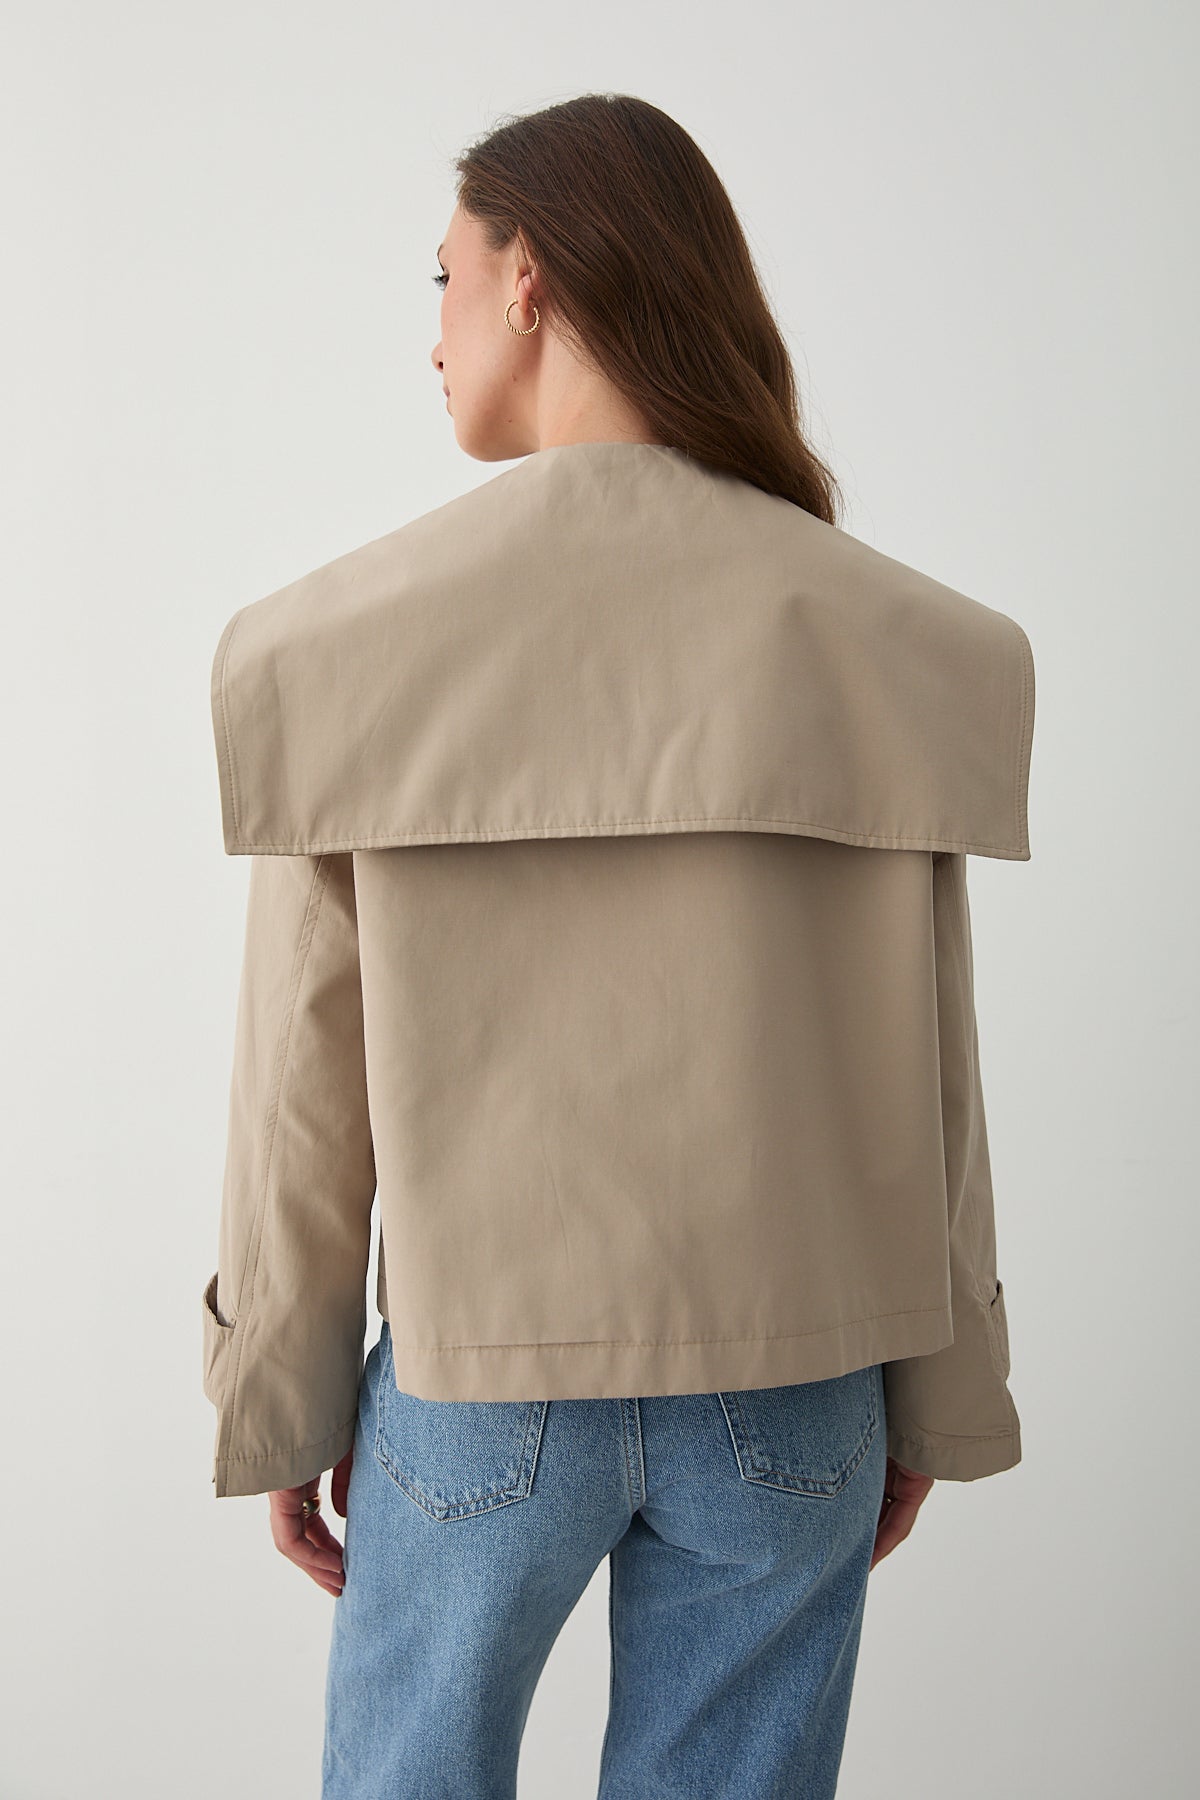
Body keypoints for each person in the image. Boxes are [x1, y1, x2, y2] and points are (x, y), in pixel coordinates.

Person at [201, 93, 1034, 1799]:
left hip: (481, 1380)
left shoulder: (346, 644)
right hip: (801, 1379)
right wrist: (944, 1392)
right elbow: (930, 1061)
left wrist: (276, 1395)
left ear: (531, 281)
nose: (431, 332)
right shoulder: (888, 634)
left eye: (444, 277)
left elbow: (303, 1083)